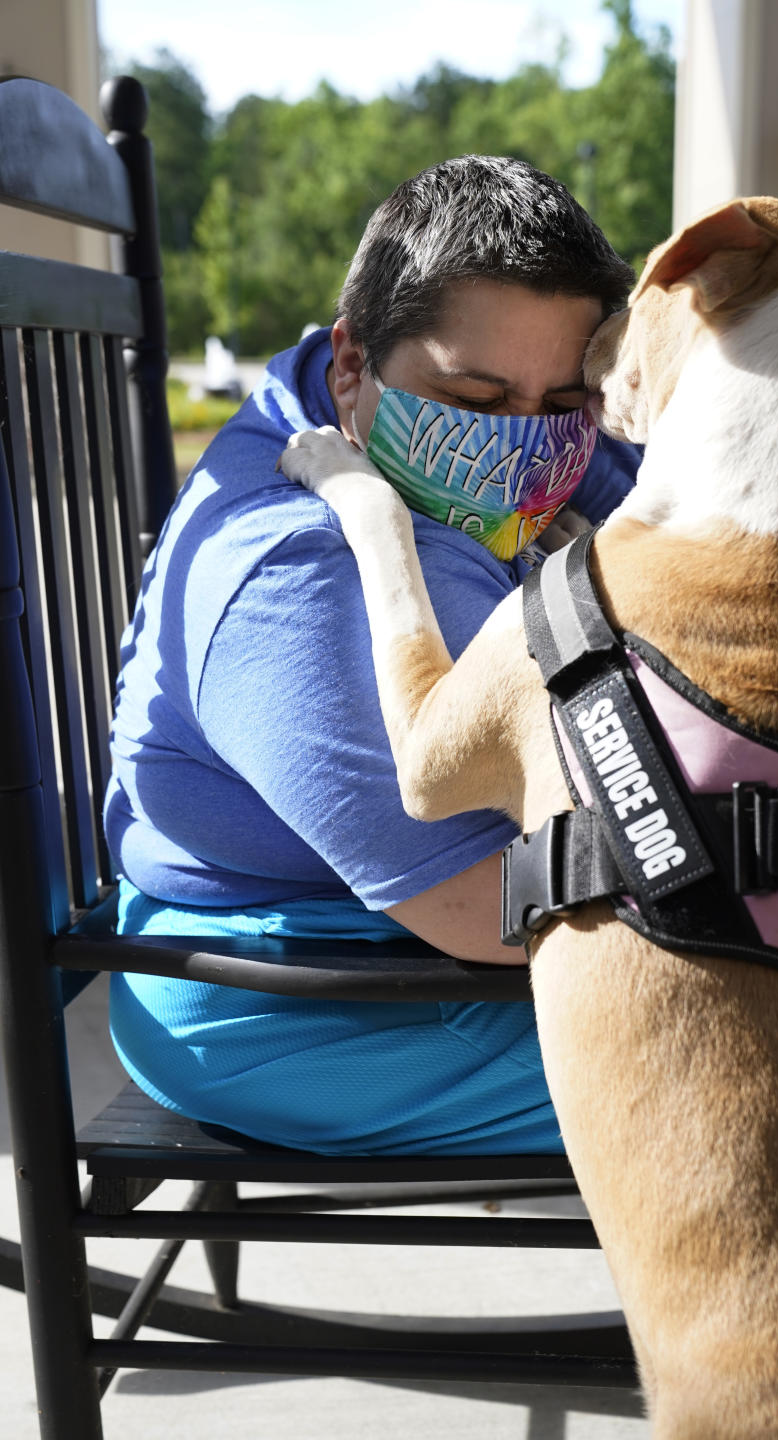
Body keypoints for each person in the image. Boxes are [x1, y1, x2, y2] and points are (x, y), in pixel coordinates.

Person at [104, 155, 642, 1156]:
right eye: (475, 404)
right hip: (312, 1006)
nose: (522, 446)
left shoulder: (359, 412)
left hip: (397, 947)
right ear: (352, 365)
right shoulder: (305, 569)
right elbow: (486, 907)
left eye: (563, 401)